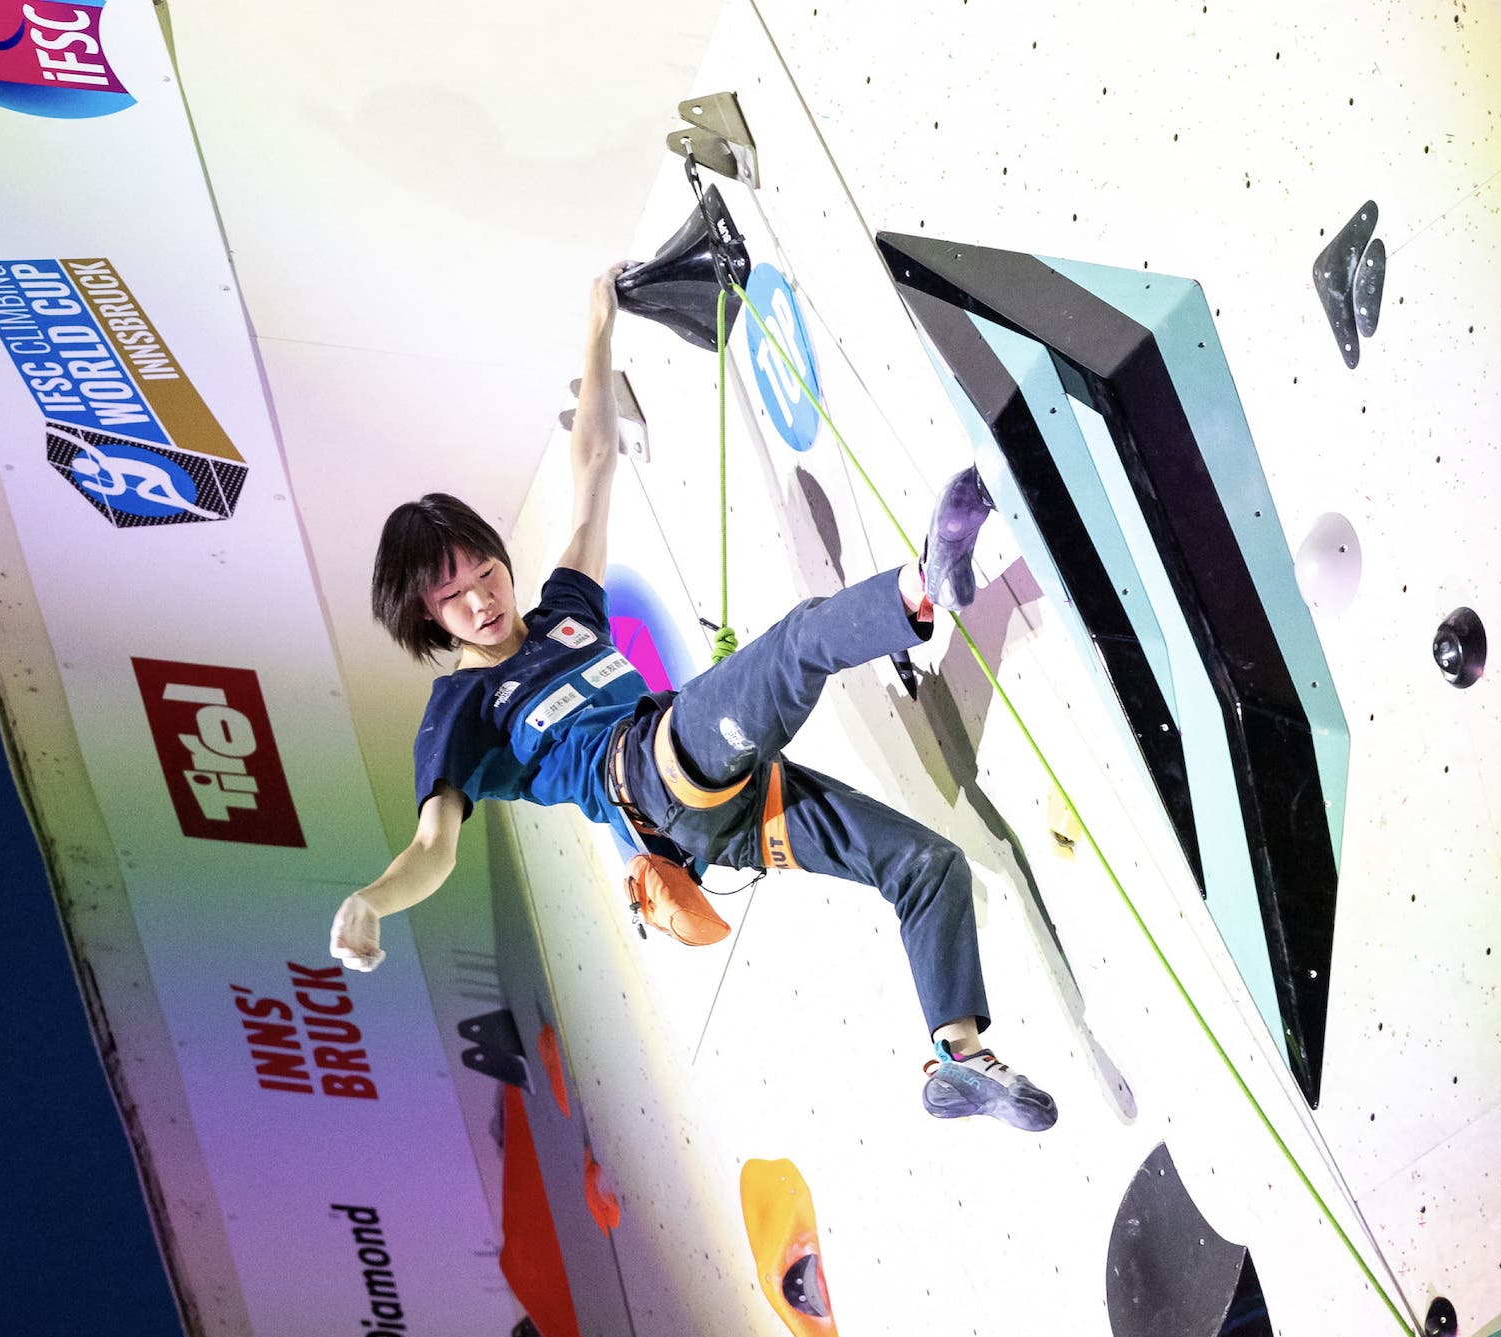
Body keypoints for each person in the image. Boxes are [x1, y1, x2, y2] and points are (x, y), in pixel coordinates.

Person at [327, 264, 1055, 1131]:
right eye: (453, 596)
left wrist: (598, 328)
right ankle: (923, 584)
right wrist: (373, 900)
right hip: (651, 773)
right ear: (425, 615)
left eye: (484, 571)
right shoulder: (464, 708)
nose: (481, 599)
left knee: (925, 865)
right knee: (799, 641)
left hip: (737, 810)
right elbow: (433, 846)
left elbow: (594, 466)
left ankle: (956, 1059)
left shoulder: (564, 612)